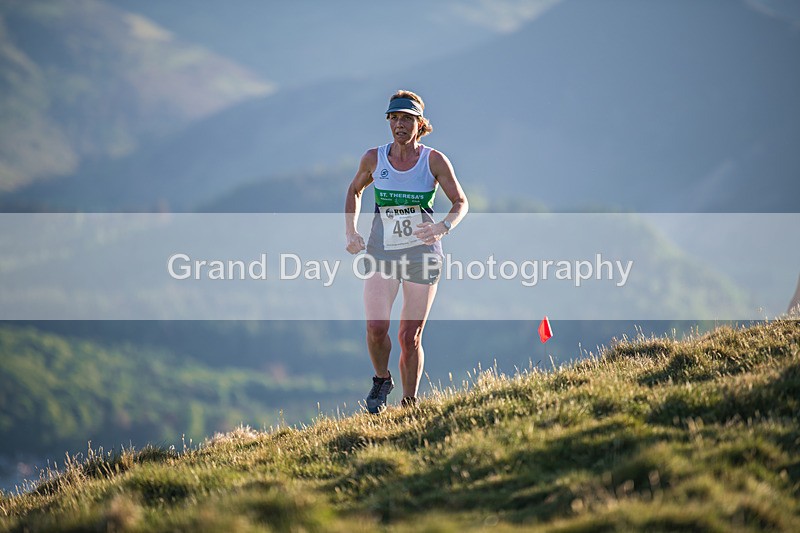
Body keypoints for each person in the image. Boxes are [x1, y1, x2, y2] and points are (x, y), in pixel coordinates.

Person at [344, 90, 468, 413]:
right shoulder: (374, 158)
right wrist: (351, 231)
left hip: (421, 255)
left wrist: (443, 227)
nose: (399, 124)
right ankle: (381, 379)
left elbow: (460, 202)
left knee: (409, 336)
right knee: (376, 328)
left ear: (420, 123)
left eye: (407, 119)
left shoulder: (434, 161)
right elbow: (354, 190)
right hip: (382, 253)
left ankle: (409, 404)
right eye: (394, 118)